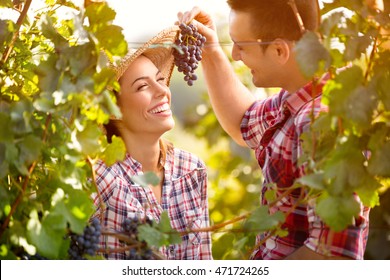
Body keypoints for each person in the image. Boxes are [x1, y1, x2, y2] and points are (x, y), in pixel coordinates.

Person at [177, 0, 370, 259]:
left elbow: (333, 256)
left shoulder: (323, 125)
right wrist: (211, 50)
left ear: (279, 50)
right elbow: (243, 122)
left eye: (242, 45)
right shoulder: (293, 101)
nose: (235, 54)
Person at [92, 26, 212, 260]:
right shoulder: (101, 180)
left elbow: (204, 261)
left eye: (159, 79)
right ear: (113, 109)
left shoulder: (192, 169)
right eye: (143, 86)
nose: (162, 91)